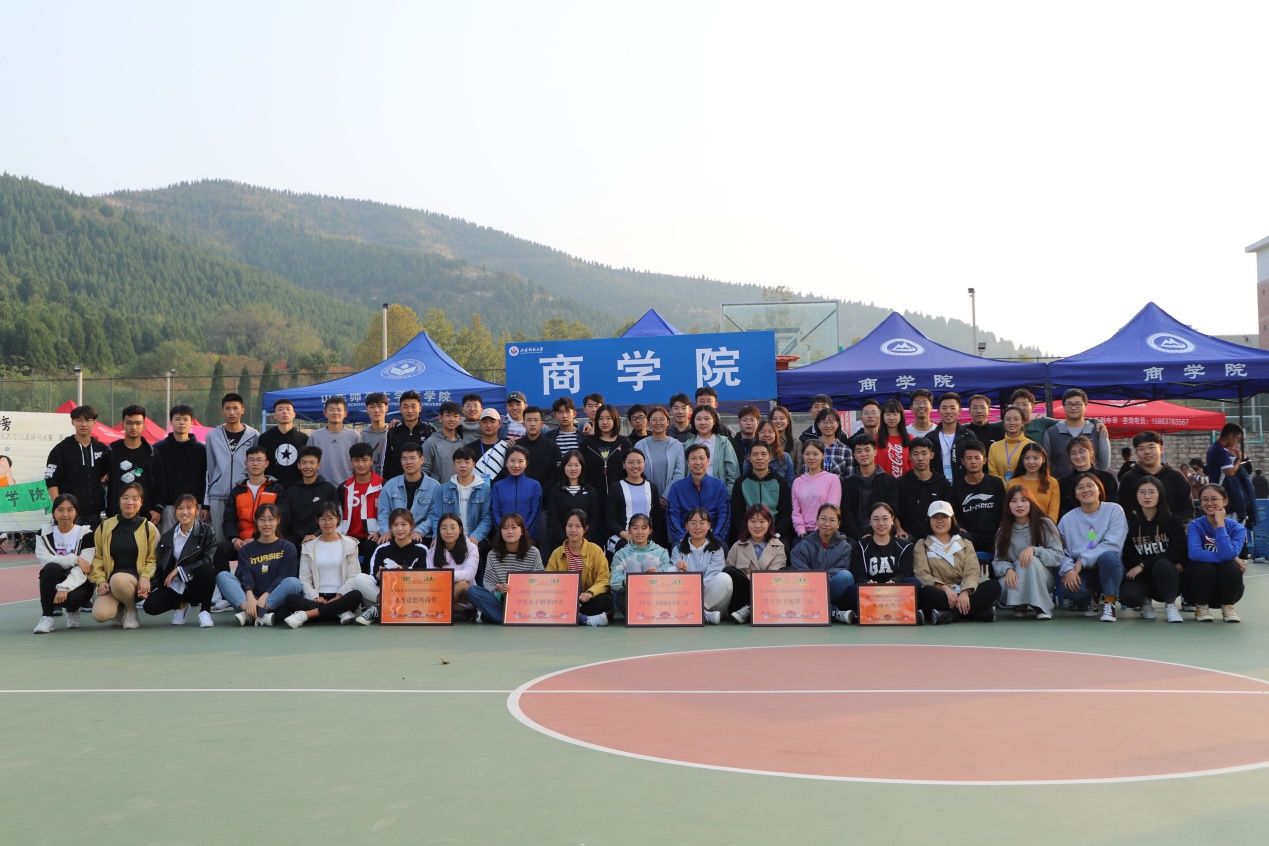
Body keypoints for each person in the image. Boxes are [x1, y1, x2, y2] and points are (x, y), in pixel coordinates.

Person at [215, 502, 303, 627]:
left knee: (294, 582)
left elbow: (284, 576)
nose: (266, 524)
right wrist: (250, 598)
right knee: (223, 576)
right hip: (250, 601)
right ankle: (258, 614)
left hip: (276, 604)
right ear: (256, 521)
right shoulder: (247, 549)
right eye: (262, 519)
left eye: (271, 519)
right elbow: (245, 576)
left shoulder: (288, 547)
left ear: (278, 520)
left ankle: (250, 615)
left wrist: (266, 597)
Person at [913, 501, 1001, 624]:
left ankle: (949, 615)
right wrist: (944, 588)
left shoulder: (965, 543)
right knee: (926, 593)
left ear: (952, 519)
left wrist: (965, 592)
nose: (940, 521)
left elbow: (972, 571)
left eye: (944, 517)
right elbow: (921, 573)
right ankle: (976, 612)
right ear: (929, 520)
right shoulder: (922, 544)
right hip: (940, 593)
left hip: (965, 591)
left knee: (993, 587)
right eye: (935, 517)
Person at [1057, 472, 1128, 622]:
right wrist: (1068, 569)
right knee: (1068, 588)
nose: (1086, 490)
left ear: (1099, 490)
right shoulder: (1067, 519)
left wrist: (1082, 561)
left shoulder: (1114, 510)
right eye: (1080, 487)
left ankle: (1109, 603)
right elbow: (1061, 551)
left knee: (1109, 556)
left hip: (1107, 566)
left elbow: (1113, 544)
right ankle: (1090, 598)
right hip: (1082, 571)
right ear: (1075, 494)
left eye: (1090, 485)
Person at [280, 502, 364, 628]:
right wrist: (314, 597)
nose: (327, 523)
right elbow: (305, 579)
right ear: (317, 521)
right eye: (323, 519)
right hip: (318, 598)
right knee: (290, 599)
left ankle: (308, 615)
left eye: (331, 518)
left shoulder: (350, 544)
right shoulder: (308, 547)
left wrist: (339, 596)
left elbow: (353, 576)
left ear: (338, 519)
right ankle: (339, 612)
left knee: (356, 595)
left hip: (342, 596)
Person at [89, 483, 160, 629]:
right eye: (125, 497)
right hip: (112, 582)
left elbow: (153, 559)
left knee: (118, 579)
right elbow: (98, 557)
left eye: (135, 498)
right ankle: (121, 607)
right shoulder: (105, 526)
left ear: (141, 502)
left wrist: (146, 575)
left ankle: (131, 610)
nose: (130, 502)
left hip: (138, 582)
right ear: (119, 500)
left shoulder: (149, 528)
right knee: (100, 614)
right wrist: (100, 580)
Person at [141, 493, 217, 627]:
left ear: (196, 511)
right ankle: (181, 605)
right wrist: (150, 587)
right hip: (174, 586)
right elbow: (160, 567)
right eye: (180, 508)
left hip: (195, 585)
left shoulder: (206, 531)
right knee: (150, 606)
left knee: (207, 569)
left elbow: (208, 559)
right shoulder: (167, 537)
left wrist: (180, 570)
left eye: (189, 508)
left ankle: (205, 611)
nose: (184, 512)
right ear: (175, 512)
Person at [836, 503, 918, 623]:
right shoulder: (860, 546)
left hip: (895, 591)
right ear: (870, 521)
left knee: (914, 583)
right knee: (852, 591)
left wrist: (894, 581)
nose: (881, 523)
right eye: (876, 519)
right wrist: (867, 583)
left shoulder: (904, 546)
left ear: (892, 520)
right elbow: (858, 573)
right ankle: (886, 610)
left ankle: (871, 610)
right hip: (871, 592)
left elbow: (905, 572)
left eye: (885, 518)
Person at [992, 485, 1063, 619]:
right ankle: (1020, 603)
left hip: (1042, 578)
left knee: (1030, 561)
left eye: (1024, 500)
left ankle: (1041, 607)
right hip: (1014, 578)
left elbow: (1058, 556)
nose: (1019, 505)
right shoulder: (1004, 530)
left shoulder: (1045, 524)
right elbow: (998, 561)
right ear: (1008, 505)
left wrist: (1034, 550)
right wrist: (1008, 569)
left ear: (1031, 502)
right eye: (1014, 501)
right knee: (1001, 585)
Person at [349, 508, 430, 625]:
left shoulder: (422, 550)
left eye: (404, 524)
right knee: (359, 579)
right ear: (390, 527)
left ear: (411, 526)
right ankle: (388, 609)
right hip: (386, 591)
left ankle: (380, 609)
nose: (399, 529)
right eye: (395, 525)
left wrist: (404, 571)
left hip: (410, 594)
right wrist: (379, 576)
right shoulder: (381, 549)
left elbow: (425, 579)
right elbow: (373, 576)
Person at [1122, 476, 1186, 623]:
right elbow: (1128, 554)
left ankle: (1170, 604)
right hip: (1142, 575)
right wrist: (1142, 566)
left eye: (1151, 492)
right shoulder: (1130, 522)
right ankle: (1145, 600)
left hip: (1166, 574)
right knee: (1128, 597)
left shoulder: (1173, 521)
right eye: (1142, 492)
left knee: (1163, 565)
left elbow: (1176, 552)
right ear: (1136, 496)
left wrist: (1143, 565)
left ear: (1160, 494)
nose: (1147, 496)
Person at [33, 494, 96, 633]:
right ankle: (47, 618)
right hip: (55, 578)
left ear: (76, 512)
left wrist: (64, 587)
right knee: (50, 568)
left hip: (80, 582)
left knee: (72, 599)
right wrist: (75, 559)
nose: (65, 514)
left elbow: (84, 567)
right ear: (54, 512)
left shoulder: (86, 534)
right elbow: (45, 559)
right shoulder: (44, 532)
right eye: (60, 509)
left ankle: (72, 611)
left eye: (70, 509)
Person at [468, 513, 545, 624]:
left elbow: (540, 580)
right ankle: (513, 617)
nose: (509, 531)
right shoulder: (493, 554)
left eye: (514, 527)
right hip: (501, 600)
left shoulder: (533, 552)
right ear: (500, 532)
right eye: (505, 528)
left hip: (526, 600)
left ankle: (495, 616)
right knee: (473, 591)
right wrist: (500, 592)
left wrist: (519, 590)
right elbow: (489, 583)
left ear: (522, 531)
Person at [1186, 484, 1247, 622]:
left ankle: (1228, 606)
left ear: (1225, 501)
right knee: (1205, 566)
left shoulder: (1237, 528)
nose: (1209, 503)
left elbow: (1228, 555)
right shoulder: (1195, 525)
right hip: (1197, 588)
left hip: (1225, 589)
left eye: (1214, 499)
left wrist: (1220, 525)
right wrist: (1231, 557)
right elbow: (1195, 553)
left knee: (1230, 567)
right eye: (1205, 499)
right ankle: (1201, 606)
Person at [205, 392, 260, 544]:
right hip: (218, 495)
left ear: (242, 410)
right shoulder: (212, 435)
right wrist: (207, 502)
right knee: (219, 541)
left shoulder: (253, 435)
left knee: (245, 537)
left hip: (244, 494)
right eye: (227, 408)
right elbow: (209, 468)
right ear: (222, 411)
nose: (231, 412)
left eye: (235, 408)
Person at [44, 404, 108, 527]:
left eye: (88, 420)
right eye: (79, 420)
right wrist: (59, 507)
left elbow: (109, 470)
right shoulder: (61, 449)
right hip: (69, 514)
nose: (84, 424)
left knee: (92, 540)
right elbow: (51, 479)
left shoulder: (102, 449)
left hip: (95, 513)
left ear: (94, 422)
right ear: (73, 422)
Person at [547, 509, 614, 626]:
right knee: (549, 602)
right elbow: (548, 580)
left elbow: (604, 579)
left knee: (605, 601)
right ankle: (584, 619)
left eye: (578, 526)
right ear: (565, 527)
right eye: (569, 526)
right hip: (564, 600)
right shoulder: (557, 553)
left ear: (585, 528)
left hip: (587, 601)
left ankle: (568, 615)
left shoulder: (595, 550)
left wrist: (590, 593)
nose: (573, 530)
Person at [723, 503, 788, 623]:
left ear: (769, 523)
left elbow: (774, 577)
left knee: (784, 573)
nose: (757, 526)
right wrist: (745, 577)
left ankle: (750, 607)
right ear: (747, 523)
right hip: (741, 598)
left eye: (762, 521)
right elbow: (728, 577)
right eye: (753, 521)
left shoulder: (778, 546)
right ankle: (748, 607)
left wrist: (753, 577)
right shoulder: (737, 546)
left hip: (767, 598)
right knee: (728, 571)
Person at [791, 504, 855, 619]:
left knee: (846, 576)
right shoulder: (803, 544)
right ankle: (832, 611)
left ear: (838, 524)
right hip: (808, 588)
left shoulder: (845, 547)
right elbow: (799, 568)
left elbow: (841, 568)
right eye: (823, 519)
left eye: (832, 520)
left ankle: (816, 607)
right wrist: (814, 581)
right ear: (817, 520)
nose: (827, 524)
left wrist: (824, 578)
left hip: (831, 588)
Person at [106, 405, 164, 523]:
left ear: (144, 426)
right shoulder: (112, 450)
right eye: (129, 423)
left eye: (138, 423)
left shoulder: (152, 453)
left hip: (146, 513)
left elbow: (161, 483)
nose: (134, 427)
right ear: (123, 425)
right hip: (117, 513)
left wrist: (158, 509)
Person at [154, 404, 206, 533]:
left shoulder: (201, 450)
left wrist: (205, 506)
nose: (181, 423)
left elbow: (205, 479)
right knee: (167, 541)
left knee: (195, 541)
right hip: (167, 507)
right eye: (177, 419)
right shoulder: (159, 449)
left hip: (194, 506)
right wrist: (158, 507)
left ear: (191, 422)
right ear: (171, 422)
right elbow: (155, 479)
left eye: (185, 419)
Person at [608, 513, 672, 619]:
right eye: (635, 528)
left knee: (649, 564)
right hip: (629, 599)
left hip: (656, 599)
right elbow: (613, 582)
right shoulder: (621, 554)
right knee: (633, 565)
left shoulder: (661, 552)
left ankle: (651, 611)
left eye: (644, 528)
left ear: (650, 530)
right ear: (629, 530)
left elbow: (669, 576)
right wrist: (625, 582)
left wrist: (658, 574)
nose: (640, 532)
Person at [1118, 431, 1194, 521]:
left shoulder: (1177, 477)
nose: (1147, 452)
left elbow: (1186, 511)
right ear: (1136, 453)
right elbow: (1124, 512)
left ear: (1161, 449)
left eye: (1151, 447)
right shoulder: (1128, 478)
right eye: (1141, 449)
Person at [673, 507, 731, 624]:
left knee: (725, 578)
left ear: (709, 525)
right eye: (693, 523)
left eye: (702, 523)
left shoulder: (717, 548)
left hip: (712, 601)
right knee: (672, 570)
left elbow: (713, 575)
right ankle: (703, 615)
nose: (697, 527)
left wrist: (694, 590)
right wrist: (678, 565)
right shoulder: (678, 549)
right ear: (686, 526)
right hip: (685, 598)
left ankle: (695, 611)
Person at [376, 441, 442, 544]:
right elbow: (383, 513)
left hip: (421, 534)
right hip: (395, 533)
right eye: (404, 459)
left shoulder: (434, 487)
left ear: (422, 460)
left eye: (412, 458)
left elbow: (433, 516)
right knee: (372, 545)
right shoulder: (390, 485)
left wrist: (419, 531)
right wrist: (386, 531)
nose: (408, 462)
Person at [429, 446, 494, 548]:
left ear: (473, 465)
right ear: (454, 465)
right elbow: (436, 517)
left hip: (475, 538)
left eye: (467, 462)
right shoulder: (443, 489)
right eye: (459, 462)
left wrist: (476, 536)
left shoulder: (484, 489)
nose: (463, 465)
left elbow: (487, 518)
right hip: (449, 538)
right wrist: (437, 536)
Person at [278, 445, 341, 550]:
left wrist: (315, 535)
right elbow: (284, 517)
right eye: (304, 463)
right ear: (299, 465)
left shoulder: (328, 489)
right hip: (294, 540)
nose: (308, 466)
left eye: (312, 463)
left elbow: (334, 518)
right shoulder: (291, 492)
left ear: (319, 465)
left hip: (321, 538)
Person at [666, 444, 731, 544]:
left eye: (701, 458)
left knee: (723, 548)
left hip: (713, 536)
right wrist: (681, 536)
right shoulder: (677, 487)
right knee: (677, 549)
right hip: (685, 537)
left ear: (708, 461)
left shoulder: (719, 486)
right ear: (688, 462)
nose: (697, 462)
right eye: (693, 459)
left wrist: (717, 537)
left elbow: (725, 514)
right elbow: (671, 515)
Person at [729, 441, 794, 543]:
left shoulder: (781, 482)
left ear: (769, 457)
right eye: (755, 454)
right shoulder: (740, 483)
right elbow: (737, 513)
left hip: (774, 533)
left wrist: (777, 533)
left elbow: (786, 512)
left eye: (764, 454)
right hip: (747, 533)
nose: (759, 458)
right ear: (750, 458)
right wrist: (747, 533)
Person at [951, 440, 1005, 555]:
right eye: (969, 458)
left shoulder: (996, 483)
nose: (973, 462)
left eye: (977, 458)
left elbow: (1003, 511)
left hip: (994, 533)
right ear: (963, 461)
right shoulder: (956, 488)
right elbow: (955, 515)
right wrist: (958, 527)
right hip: (970, 535)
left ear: (984, 460)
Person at [839, 434, 898, 539]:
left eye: (867, 450)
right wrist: (859, 535)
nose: (863, 454)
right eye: (859, 451)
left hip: (884, 533)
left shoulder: (889, 481)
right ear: (854, 455)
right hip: (854, 536)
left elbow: (892, 510)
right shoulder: (847, 484)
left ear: (875, 452)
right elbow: (846, 513)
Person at [581, 403, 633, 521]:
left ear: (615, 420)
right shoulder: (587, 444)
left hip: (620, 499)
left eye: (608, 418)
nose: (605, 422)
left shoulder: (624, 443)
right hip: (593, 499)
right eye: (601, 418)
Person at [1043, 388, 1111, 477]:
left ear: (1085, 407)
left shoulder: (1098, 431)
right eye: (1069, 404)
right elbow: (1046, 463)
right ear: (1063, 407)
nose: (1073, 408)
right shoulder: (1051, 432)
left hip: (1091, 483)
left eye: (1078, 404)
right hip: (1061, 484)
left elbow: (1104, 465)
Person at [545, 449, 603, 553]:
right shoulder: (556, 491)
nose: (573, 468)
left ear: (582, 467)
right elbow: (553, 518)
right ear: (563, 467)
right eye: (569, 465)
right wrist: (565, 541)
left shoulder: (590, 491)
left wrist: (583, 540)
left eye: (576, 465)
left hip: (586, 545)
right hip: (560, 545)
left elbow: (594, 518)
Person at [896, 437, 952, 540]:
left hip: (936, 534)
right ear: (909, 456)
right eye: (916, 454)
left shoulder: (942, 483)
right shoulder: (901, 483)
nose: (920, 458)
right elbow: (895, 513)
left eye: (924, 453)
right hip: (909, 534)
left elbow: (950, 513)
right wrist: (899, 530)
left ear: (932, 455)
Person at [607, 449, 666, 549]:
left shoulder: (652, 487)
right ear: (624, 464)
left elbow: (657, 519)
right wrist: (625, 534)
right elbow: (610, 519)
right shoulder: (616, 487)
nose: (635, 466)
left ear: (644, 464)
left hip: (647, 537)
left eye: (639, 462)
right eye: (631, 462)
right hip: (623, 536)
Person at [339, 442, 383, 566]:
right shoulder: (344, 487)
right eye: (356, 460)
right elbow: (338, 515)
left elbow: (390, 514)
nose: (361, 464)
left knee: (372, 546)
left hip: (373, 536)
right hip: (348, 536)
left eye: (365, 460)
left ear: (372, 461)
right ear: (351, 462)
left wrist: (380, 532)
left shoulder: (383, 485)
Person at [307, 396, 362, 492]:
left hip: (348, 487)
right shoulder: (315, 436)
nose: (335, 413)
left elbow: (360, 462)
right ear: (325, 413)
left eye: (339, 410)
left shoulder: (354, 436)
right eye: (331, 410)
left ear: (345, 413)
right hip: (321, 487)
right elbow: (309, 462)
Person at [426, 513, 479, 612]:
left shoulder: (471, 548)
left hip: (464, 594)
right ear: (439, 530)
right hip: (441, 591)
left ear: (460, 530)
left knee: (461, 584)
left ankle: (436, 609)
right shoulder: (432, 551)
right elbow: (431, 575)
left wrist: (446, 576)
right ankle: (446, 609)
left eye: (453, 527)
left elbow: (469, 574)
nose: (448, 532)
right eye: (444, 528)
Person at [491, 445, 544, 545]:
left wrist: (523, 533)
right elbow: (495, 512)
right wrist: (505, 531)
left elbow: (536, 512)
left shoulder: (535, 485)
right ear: (506, 463)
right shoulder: (497, 486)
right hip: (503, 539)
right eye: (512, 461)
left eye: (520, 461)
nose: (516, 465)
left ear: (526, 463)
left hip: (529, 538)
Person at [1058, 435, 1119, 518]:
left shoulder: (1106, 478)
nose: (1078, 456)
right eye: (1073, 453)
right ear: (1069, 456)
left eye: (1082, 451)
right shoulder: (1064, 482)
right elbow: (1063, 509)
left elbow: (1112, 505)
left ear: (1091, 452)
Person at [792, 440, 842, 540]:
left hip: (825, 533)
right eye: (807, 454)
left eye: (815, 454)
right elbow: (796, 512)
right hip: (802, 535)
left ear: (823, 455)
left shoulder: (832, 479)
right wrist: (801, 532)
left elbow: (832, 510)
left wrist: (816, 533)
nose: (811, 458)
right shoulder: (797, 482)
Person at [1206, 423, 1256, 524]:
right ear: (1230, 435)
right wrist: (1238, 459)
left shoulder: (1214, 448)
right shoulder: (1220, 450)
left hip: (1218, 495)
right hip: (1224, 497)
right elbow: (1230, 472)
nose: (1237, 442)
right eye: (1237, 438)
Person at [382, 390, 435, 482]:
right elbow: (386, 461)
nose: (409, 411)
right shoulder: (393, 432)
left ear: (420, 408)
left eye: (413, 406)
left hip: (424, 484)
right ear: (400, 409)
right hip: (396, 484)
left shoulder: (429, 431)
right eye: (405, 407)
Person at [635, 405, 685, 501]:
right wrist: (651, 496)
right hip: (645, 498)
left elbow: (679, 475)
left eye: (662, 419)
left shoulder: (677, 445)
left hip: (671, 499)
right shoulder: (640, 446)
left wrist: (665, 497)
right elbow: (636, 473)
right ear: (649, 423)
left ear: (668, 423)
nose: (658, 423)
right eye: (654, 420)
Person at [257, 398, 308, 490]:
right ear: (274, 415)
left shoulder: (303, 438)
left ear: (294, 414)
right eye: (280, 409)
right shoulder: (264, 438)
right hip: (271, 488)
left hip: (298, 488)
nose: (284, 412)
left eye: (288, 409)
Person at [687, 405, 740, 493]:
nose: (702, 422)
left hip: (718, 494)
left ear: (714, 421)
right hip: (692, 494)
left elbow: (733, 473)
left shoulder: (724, 443)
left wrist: (727, 495)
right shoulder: (688, 444)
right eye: (698, 419)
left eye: (707, 418)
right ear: (693, 421)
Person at [929, 392, 970, 484]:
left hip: (963, 485)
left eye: (952, 408)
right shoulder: (931, 438)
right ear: (938, 411)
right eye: (944, 408)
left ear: (960, 411)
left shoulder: (968, 436)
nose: (948, 411)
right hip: (938, 485)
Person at [519, 406, 562, 491]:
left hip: (546, 494)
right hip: (521, 493)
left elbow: (555, 474)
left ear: (542, 423)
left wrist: (541, 492)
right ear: (523, 424)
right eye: (529, 420)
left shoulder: (552, 447)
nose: (532, 424)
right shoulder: (517, 447)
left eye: (536, 420)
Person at [423, 400, 466, 484]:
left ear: (460, 419)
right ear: (440, 418)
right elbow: (423, 470)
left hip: (459, 489)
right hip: (438, 490)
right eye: (448, 415)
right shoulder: (431, 442)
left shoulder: (462, 443)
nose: (452, 419)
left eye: (455, 416)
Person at [1015, 443, 1059, 523]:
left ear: (1043, 459)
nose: (1031, 462)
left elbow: (1054, 511)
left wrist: (1048, 527)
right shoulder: (1013, 483)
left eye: (1036, 458)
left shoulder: (1052, 483)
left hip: (1046, 526)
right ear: (1022, 459)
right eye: (1027, 458)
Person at [987, 406, 1031, 484]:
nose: (1012, 422)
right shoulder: (994, 447)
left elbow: (1032, 472)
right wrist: (1007, 487)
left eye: (1016, 419)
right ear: (1003, 423)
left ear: (1023, 422)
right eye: (1008, 419)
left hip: (1024, 488)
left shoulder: (1031, 445)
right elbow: (993, 472)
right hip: (1000, 489)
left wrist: (1017, 488)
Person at [876, 399, 912, 479]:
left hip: (906, 484)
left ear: (901, 416)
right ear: (882, 416)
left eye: (895, 414)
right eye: (888, 414)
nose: (891, 418)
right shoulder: (875, 440)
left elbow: (913, 466)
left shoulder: (910, 439)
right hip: (882, 483)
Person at [813, 407, 853, 477]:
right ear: (818, 425)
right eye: (824, 422)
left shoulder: (846, 450)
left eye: (832, 422)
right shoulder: (812, 448)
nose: (828, 426)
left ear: (837, 424)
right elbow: (805, 475)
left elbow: (849, 478)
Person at [472, 408, 510, 479]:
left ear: (499, 424)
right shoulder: (470, 448)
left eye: (492, 422)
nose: (488, 425)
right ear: (479, 424)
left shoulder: (507, 448)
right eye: (484, 422)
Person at [360, 392, 391, 477]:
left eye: (380, 406)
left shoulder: (392, 434)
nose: (376, 410)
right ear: (367, 409)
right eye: (372, 407)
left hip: (389, 481)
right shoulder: (361, 436)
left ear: (386, 408)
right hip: (367, 481)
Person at [768, 405, 802, 474]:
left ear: (788, 421)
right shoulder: (766, 441)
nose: (778, 421)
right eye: (774, 418)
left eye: (782, 418)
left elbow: (798, 469)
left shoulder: (796, 443)